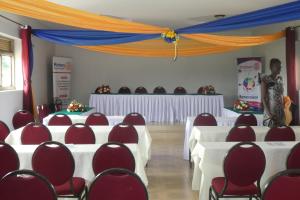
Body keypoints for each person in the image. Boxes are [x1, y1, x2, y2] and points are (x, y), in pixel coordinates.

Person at [261, 58, 285, 127]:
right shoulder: (265, 79)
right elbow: (263, 98)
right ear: (271, 67)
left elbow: (281, 95)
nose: (279, 67)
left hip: (280, 112)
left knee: (281, 134)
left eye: (280, 66)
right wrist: (269, 114)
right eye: (277, 66)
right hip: (270, 112)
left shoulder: (280, 79)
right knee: (271, 135)